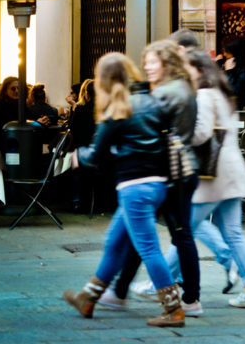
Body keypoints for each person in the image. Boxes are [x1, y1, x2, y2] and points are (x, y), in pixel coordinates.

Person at [63, 52, 184, 328]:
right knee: (114, 242)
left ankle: (173, 308)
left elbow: (96, 155)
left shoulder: (117, 109)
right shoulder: (153, 101)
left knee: (149, 249)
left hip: (134, 188)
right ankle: (88, 297)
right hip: (157, 185)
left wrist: (77, 156)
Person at [103, 40, 201, 315]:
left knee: (175, 236)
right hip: (177, 171)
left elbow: (145, 125)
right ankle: (120, 291)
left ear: (167, 64)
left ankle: (189, 300)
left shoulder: (168, 93)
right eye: (145, 61)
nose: (146, 66)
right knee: (155, 233)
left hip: (172, 173)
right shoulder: (180, 88)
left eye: (152, 61)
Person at [164, 49, 245, 309]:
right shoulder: (223, 94)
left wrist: (175, 136)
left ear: (198, 70)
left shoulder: (205, 96)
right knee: (233, 233)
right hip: (230, 172)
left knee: (184, 229)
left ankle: (159, 282)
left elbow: (201, 133)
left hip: (213, 174)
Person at [68, 79, 100, 213]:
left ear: (86, 94)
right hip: (103, 155)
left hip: (84, 153)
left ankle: (77, 201)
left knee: (74, 162)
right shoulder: (106, 111)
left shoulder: (81, 110)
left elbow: (73, 130)